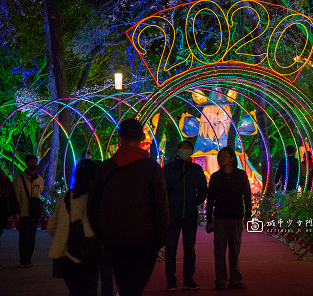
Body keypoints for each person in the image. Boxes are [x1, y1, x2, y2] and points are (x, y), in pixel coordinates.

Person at [88, 118, 169, 296]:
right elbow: (161, 206)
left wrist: (101, 236)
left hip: (115, 238)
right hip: (145, 239)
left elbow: (92, 205)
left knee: (124, 283)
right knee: (135, 286)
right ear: (141, 138)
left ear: (119, 138)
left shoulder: (106, 167)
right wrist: (161, 239)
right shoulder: (152, 168)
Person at [48, 159, 99, 296]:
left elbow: (51, 228)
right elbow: (91, 230)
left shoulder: (63, 198)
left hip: (65, 254)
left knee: (75, 291)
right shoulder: (94, 199)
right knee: (89, 290)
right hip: (89, 253)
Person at [163, 140, 207, 291]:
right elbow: (161, 189)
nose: (184, 150)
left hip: (189, 215)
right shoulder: (168, 168)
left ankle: (189, 279)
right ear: (177, 150)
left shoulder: (196, 169)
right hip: (172, 215)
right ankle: (171, 281)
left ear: (191, 151)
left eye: (187, 148)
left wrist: (193, 202)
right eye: (182, 148)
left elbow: (202, 190)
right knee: (170, 248)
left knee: (189, 248)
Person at [206, 146, 252, 290]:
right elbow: (210, 199)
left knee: (235, 248)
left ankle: (235, 279)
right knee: (219, 249)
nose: (222, 158)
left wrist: (248, 215)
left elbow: (247, 195)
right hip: (220, 217)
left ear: (232, 158)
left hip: (236, 216)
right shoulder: (215, 177)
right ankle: (221, 279)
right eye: (221, 155)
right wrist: (209, 220)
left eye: (225, 155)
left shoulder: (241, 175)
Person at [13, 154, 44, 268]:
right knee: (24, 237)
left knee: (32, 237)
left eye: (35, 162)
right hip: (24, 213)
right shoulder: (19, 179)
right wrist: (17, 213)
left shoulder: (39, 179)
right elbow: (16, 197)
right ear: (26, 164)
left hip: (34, 213)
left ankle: (28, 258)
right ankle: (24, 259)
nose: (34, 164)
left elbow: (39, 192)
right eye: (31, 162)